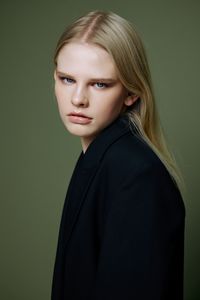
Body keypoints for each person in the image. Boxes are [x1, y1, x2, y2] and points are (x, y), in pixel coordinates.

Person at [51, 10, 185, 300]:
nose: (78, 99)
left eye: (100, 84)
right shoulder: (101, 159)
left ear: (131, 93)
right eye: (67, 79)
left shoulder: (136, 175)